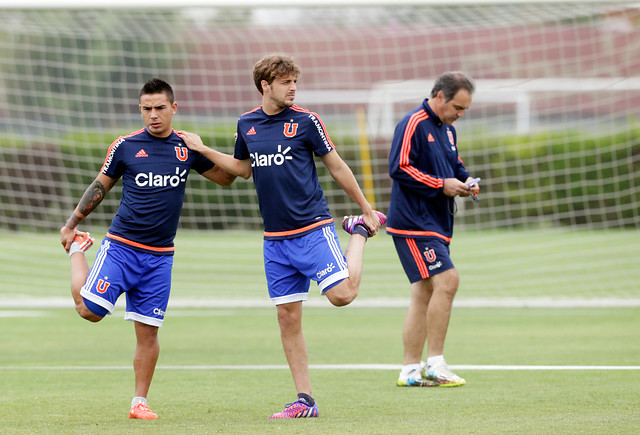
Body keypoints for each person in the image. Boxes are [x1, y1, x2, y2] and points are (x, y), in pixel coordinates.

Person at [179, 53, 385, 419]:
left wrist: (366, 208)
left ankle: (358, 233)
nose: (293, 88)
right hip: (275, 240)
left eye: (295, 82)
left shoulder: (307, 121)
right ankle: (305, 400)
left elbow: (335, 165)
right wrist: (203, 149)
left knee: (343, 295)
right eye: (286, 82)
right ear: (265, 85)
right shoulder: (247, 124)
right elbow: (242, 170)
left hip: (313, 228)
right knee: (287, 318)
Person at [59, 78, 235, 419]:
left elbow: (227, 178)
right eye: (146, 109)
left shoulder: (186, 148)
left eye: (159, 108)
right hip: (122, 248)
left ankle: (139, 402)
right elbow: (101, 186)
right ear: (140, 110)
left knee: (148, 330)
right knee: (88, 311)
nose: (153, 115)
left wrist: (206, 149)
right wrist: (72, 224)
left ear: (173, 108)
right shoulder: (125, 146)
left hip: (160, 258)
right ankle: (78, 250)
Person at [386, 71, 478, 388]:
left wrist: (466, 181)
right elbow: (398, 167)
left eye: (465, 109)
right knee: (448, 280)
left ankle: (410, 370)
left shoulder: (448, 130)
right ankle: (435, 364)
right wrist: (442, 185)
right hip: (412, 222)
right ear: (440, 96)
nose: (460, 114)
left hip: (436, 223)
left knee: (423, 292)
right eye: (457, 107)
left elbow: (455, 165)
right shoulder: (412, 123)